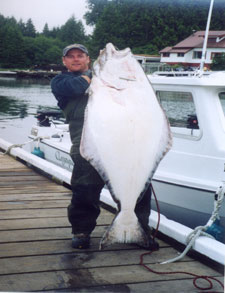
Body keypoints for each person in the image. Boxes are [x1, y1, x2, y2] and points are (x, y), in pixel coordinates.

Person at [51, 43, 158, 250]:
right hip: (87, 148)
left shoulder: (104, 79)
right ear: (64, 61)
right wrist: (101, 73)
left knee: (140, 188)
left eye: (80, 56)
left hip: (125, 144)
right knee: (85, 191)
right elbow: (76, 87)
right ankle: (81, 231)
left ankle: (139, 229)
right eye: (70, 56)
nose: (75, 59)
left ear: (87, 59)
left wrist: (108, 72)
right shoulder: (60, 82)